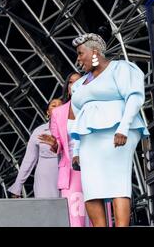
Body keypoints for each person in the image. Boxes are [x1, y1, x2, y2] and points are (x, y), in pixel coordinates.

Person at [69, 33, 149, 227]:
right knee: (91, 187)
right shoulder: (79, 84)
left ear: (95, 51)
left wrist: (123, 128)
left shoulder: (120, 68)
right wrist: (76, 150)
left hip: (118, 133)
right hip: (89, 139)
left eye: (81, 54)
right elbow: (76, 119)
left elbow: (134, 98)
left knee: (117, 184)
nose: (78, 59)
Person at [42, 72, 86, 227]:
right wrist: (55, 145)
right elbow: (59, 143)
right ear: (68, 88)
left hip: (93, 162)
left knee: (96, 210)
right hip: (71, 168)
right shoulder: (58, 113)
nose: (74, 84)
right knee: (75, 213)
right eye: (71, 82)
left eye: (79, 81)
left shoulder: (92, 106)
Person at [8, 98, 63, 198]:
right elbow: (29, 160)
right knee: (45, 209)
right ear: (48, 112)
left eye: (60, 105)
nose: (57, 108)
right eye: (53, 105)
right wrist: (17, 186)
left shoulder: (72, 128)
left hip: (67, 175)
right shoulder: (39, 131)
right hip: (44, 177)